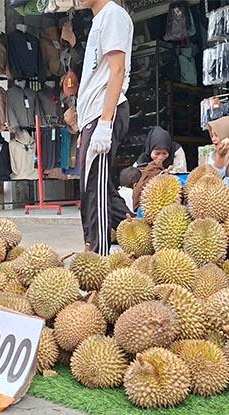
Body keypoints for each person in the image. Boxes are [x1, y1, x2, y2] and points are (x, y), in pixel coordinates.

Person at [77, 0, 134, 256]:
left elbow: (117, 70)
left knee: (94, 190)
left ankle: (97, 256)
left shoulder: (113, 15)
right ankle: (139, 233)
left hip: (104, 112)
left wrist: (104, 122)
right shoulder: (98, 20)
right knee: (97, 187)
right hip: (92, 116)